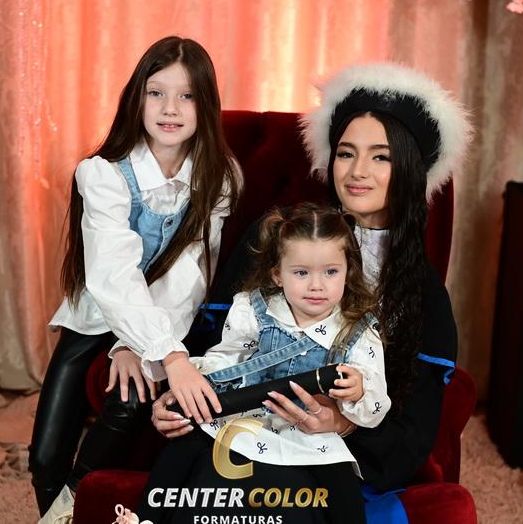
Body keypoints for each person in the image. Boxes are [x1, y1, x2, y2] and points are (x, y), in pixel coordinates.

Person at [150, 62, 472, 523]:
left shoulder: (423, 293)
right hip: (242, 430)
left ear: (409, 168)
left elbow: (415, 431)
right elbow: (216, 347)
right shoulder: (279, 238)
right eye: (346, 153)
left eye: (381, 157)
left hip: (332, 459)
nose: (358, 172)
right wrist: (174, 397)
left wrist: (342, 424)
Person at [30, 36, 241, 523]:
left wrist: (150, 349)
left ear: (206, 105)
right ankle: (53, 506)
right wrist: (146, 347)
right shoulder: (103, 174)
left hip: (165, 317)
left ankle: (69, 513)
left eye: (187, 96)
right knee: (44, 457)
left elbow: (189, 276)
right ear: (136, 98)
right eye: (156, 93)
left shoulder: (218, 178)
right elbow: (112, 276)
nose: (170, 109)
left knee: (128, 401)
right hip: (96, 315)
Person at [116, 203, 390, 524]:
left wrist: (358, 391)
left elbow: (376, 406)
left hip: (309, 431)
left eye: (330, 272)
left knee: (341, 479)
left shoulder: (357, 331)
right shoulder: (254, 310)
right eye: (301, 273)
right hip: (244, 416)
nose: (317, 285)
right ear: (277, 274)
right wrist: (195, 380)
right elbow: (226, 359)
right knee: (185, 444)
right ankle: (145, 518)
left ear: (348, 272)